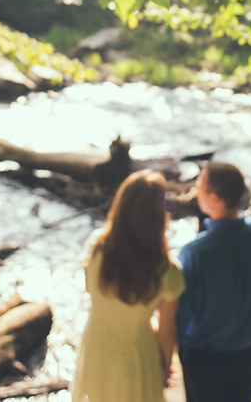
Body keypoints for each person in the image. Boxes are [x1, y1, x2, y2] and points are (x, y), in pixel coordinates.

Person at [72, 169, 185, 402]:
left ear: (121, 206)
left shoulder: (96, 245)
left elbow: (91, 290)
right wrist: (165, 366)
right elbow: (168, 332)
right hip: (136, 355)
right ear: (159, 215)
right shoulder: (167, 270)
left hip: (96, 346)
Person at [176, 161, 251, 402]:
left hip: (206, 357)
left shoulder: (197, 252)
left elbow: (182, 313)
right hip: (250, 348)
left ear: (215, 198)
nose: (194, 191)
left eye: (199, 187)